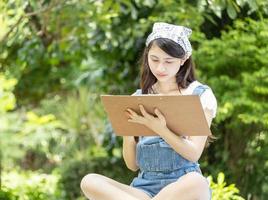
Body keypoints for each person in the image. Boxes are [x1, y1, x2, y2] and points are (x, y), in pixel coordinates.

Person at [80, 22, 217, 200]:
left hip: (183, 187)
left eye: (169, 61)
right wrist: (128, 132)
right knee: (90, 181)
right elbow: (132, 165)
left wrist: (160, 128)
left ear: (183, 60)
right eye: (154, 59)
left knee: (197, 182)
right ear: (147, 57)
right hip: (143, 189)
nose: (161, 68)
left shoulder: (200, 95)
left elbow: (193, 154)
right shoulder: (138, 97)